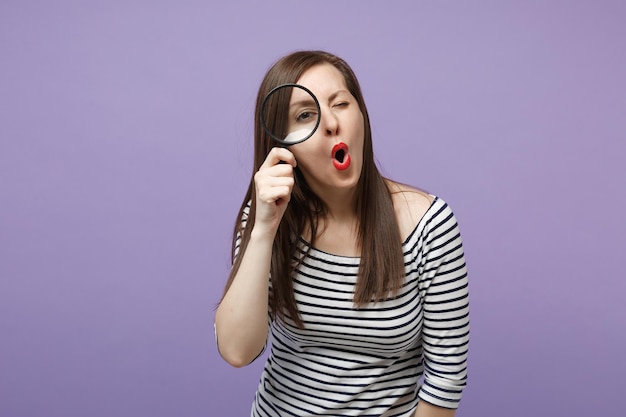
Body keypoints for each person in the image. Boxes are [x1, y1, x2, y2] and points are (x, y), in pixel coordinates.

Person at [215, 50, 470, 417]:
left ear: (361, 115)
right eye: (305, 115)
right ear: (283, 144)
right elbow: (237, 350)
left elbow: (445, 380)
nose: (332, 123)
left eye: (341, 104)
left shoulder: (429, 225)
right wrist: (263, 230)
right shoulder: (266, 219)